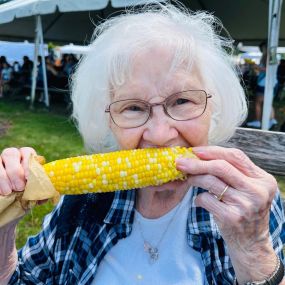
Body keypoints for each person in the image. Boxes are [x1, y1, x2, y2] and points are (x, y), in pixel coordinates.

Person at [0, 3, 284, 285]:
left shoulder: (250, 207)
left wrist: (254, 254)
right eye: (134, 108)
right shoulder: (83, 204)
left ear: (214, 107)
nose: (159, 135)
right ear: (108, 120)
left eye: (182, 101)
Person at [246, 42, 278, 129]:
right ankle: (272, 120)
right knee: (268, 102)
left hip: (264, 83)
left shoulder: (266, 56)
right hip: (272, 83)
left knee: (258, 102)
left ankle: (257, 121)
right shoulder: (273, 55)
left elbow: (268, 69)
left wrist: (256, 66)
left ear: (265, 48)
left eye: (262, 49)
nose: (261, 50)